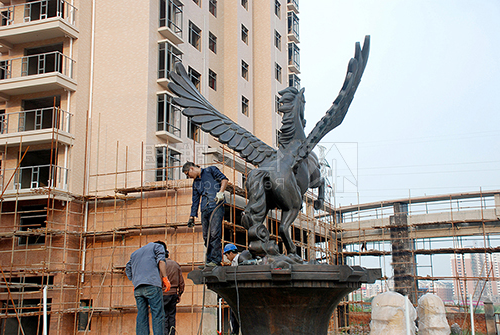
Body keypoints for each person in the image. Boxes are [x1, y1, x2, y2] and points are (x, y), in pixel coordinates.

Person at [183, 161, 228, 267]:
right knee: (206, 236)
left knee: (214, 233)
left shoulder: (211, 170)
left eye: (188, 174)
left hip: (215, 205)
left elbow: (224, 180)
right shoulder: (196, 183)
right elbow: (195, 200)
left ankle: (216, 260)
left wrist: (221, 192)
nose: (189, 177)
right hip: (205, 209)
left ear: (192, 169)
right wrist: (192, 216)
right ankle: (209, 261)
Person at [126, 241, 171, 335]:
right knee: (158, 315)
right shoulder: (158, 247)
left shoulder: (135, 253)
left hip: (138, 288)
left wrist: (135, 281)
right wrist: (165, 278)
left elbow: (128, 268)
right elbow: (161, 261)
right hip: (152, 285)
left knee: (141, 315)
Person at [163, 249, 185, 335]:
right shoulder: (175, 264)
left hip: (163, 293)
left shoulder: (160, 265)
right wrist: (179, 293)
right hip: (173, 294)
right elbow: (181, 282)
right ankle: (171, 333)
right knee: (171, 316)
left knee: (163, 316)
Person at [223, 244, 240, 335]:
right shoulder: (234, 261)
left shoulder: (239, 260)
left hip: (239, 291)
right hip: (236, 291)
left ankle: (235, 332)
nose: (227, 257)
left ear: (230, 253)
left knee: (236, 314)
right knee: (233, 314)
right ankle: (235, 332)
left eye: (227, 255)